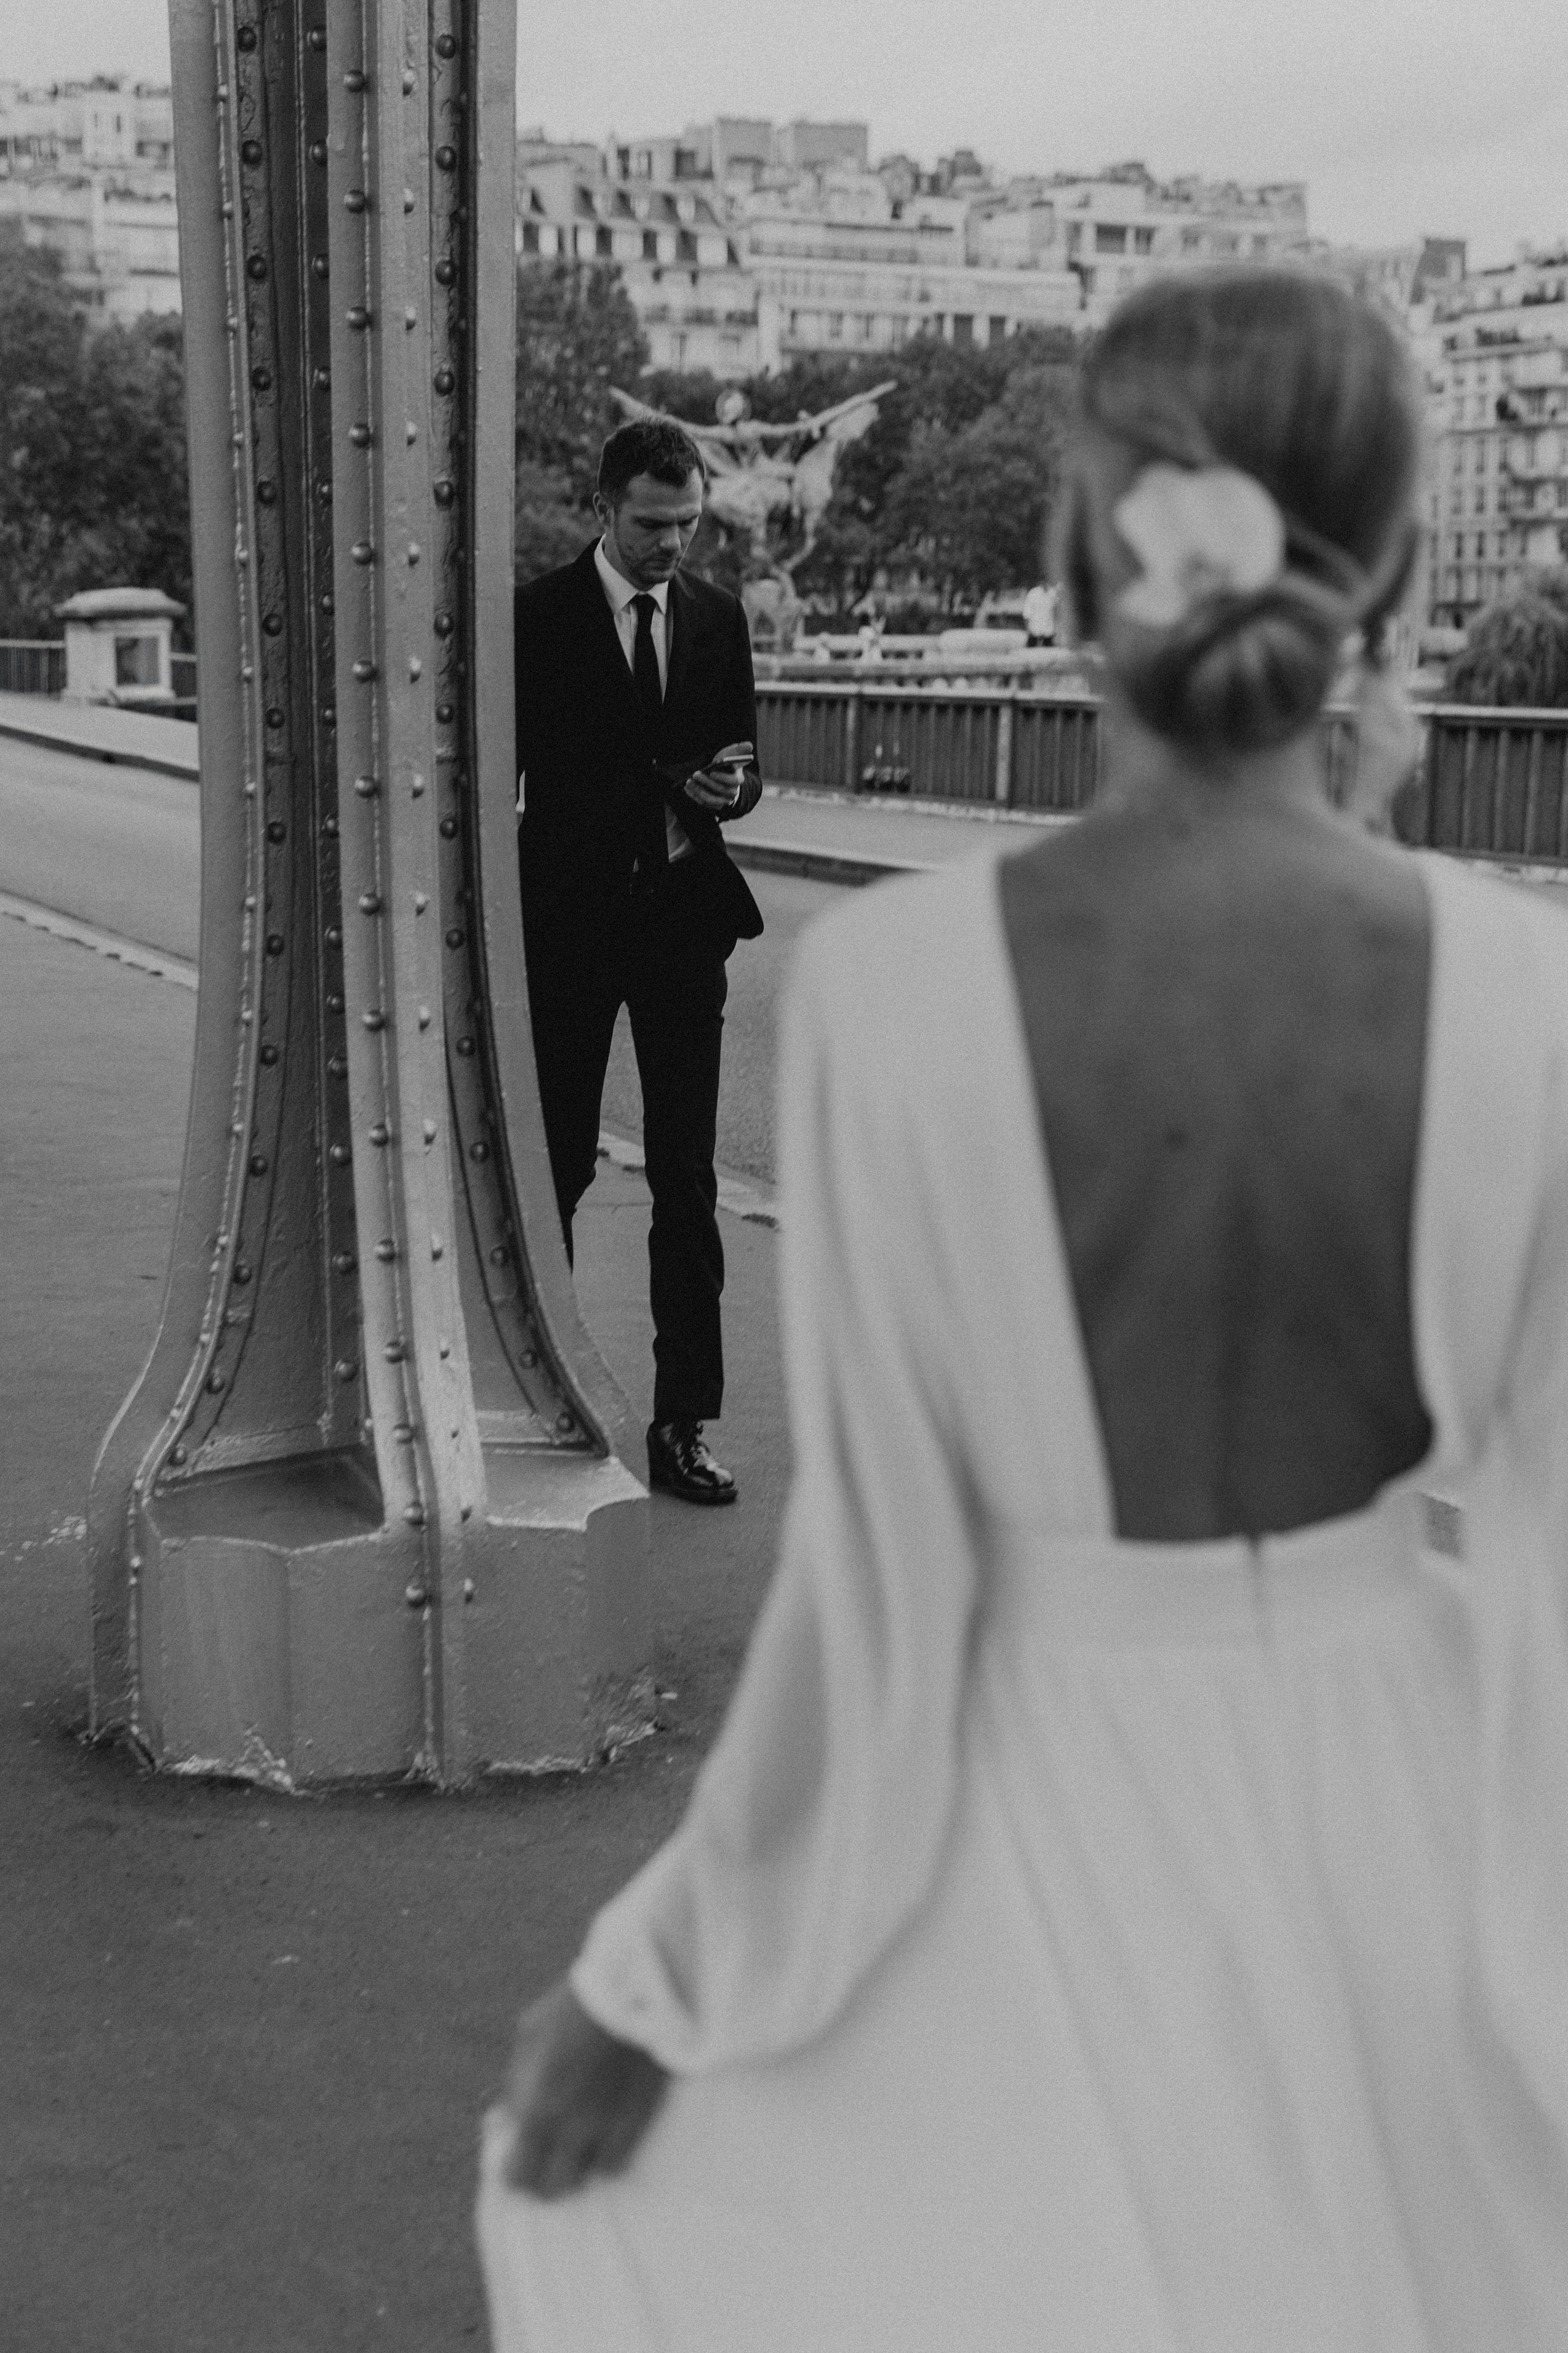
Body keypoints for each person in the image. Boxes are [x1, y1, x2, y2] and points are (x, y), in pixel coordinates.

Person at [479, 270, 1568, 2347]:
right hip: (1390, 1806)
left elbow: (880, 1614)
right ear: (1399, 588)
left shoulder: (899, 999)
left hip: (1033, 1814)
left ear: (1081, 586)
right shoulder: (1528, 998)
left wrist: (648, 1991)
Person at [514, 418, 764, 1505]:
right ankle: (545, 1402)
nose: (674, 545)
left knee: (687, 1183)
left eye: (690, 524)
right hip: (569, 928)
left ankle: (682, 1425)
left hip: (679, 926)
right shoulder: (531, 619)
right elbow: (500, 779)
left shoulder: (716, 616)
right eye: (655, 524)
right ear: (603, 507)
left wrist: (730, 789)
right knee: (553, 1171)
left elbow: (743, 762)